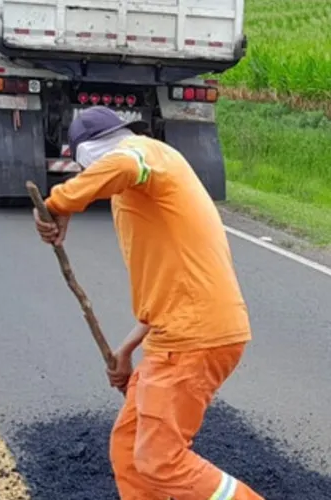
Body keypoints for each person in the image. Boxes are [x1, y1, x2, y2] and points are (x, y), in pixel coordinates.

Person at [32, 106, 263, 500]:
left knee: (160, 459)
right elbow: (165, 293)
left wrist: (60, 203)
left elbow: (126, 162)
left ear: (85, 156)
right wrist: (125, 351)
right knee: (129, 449)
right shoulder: (137, 195)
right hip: (174, 334)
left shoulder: (146, 153)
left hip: (193, 337)